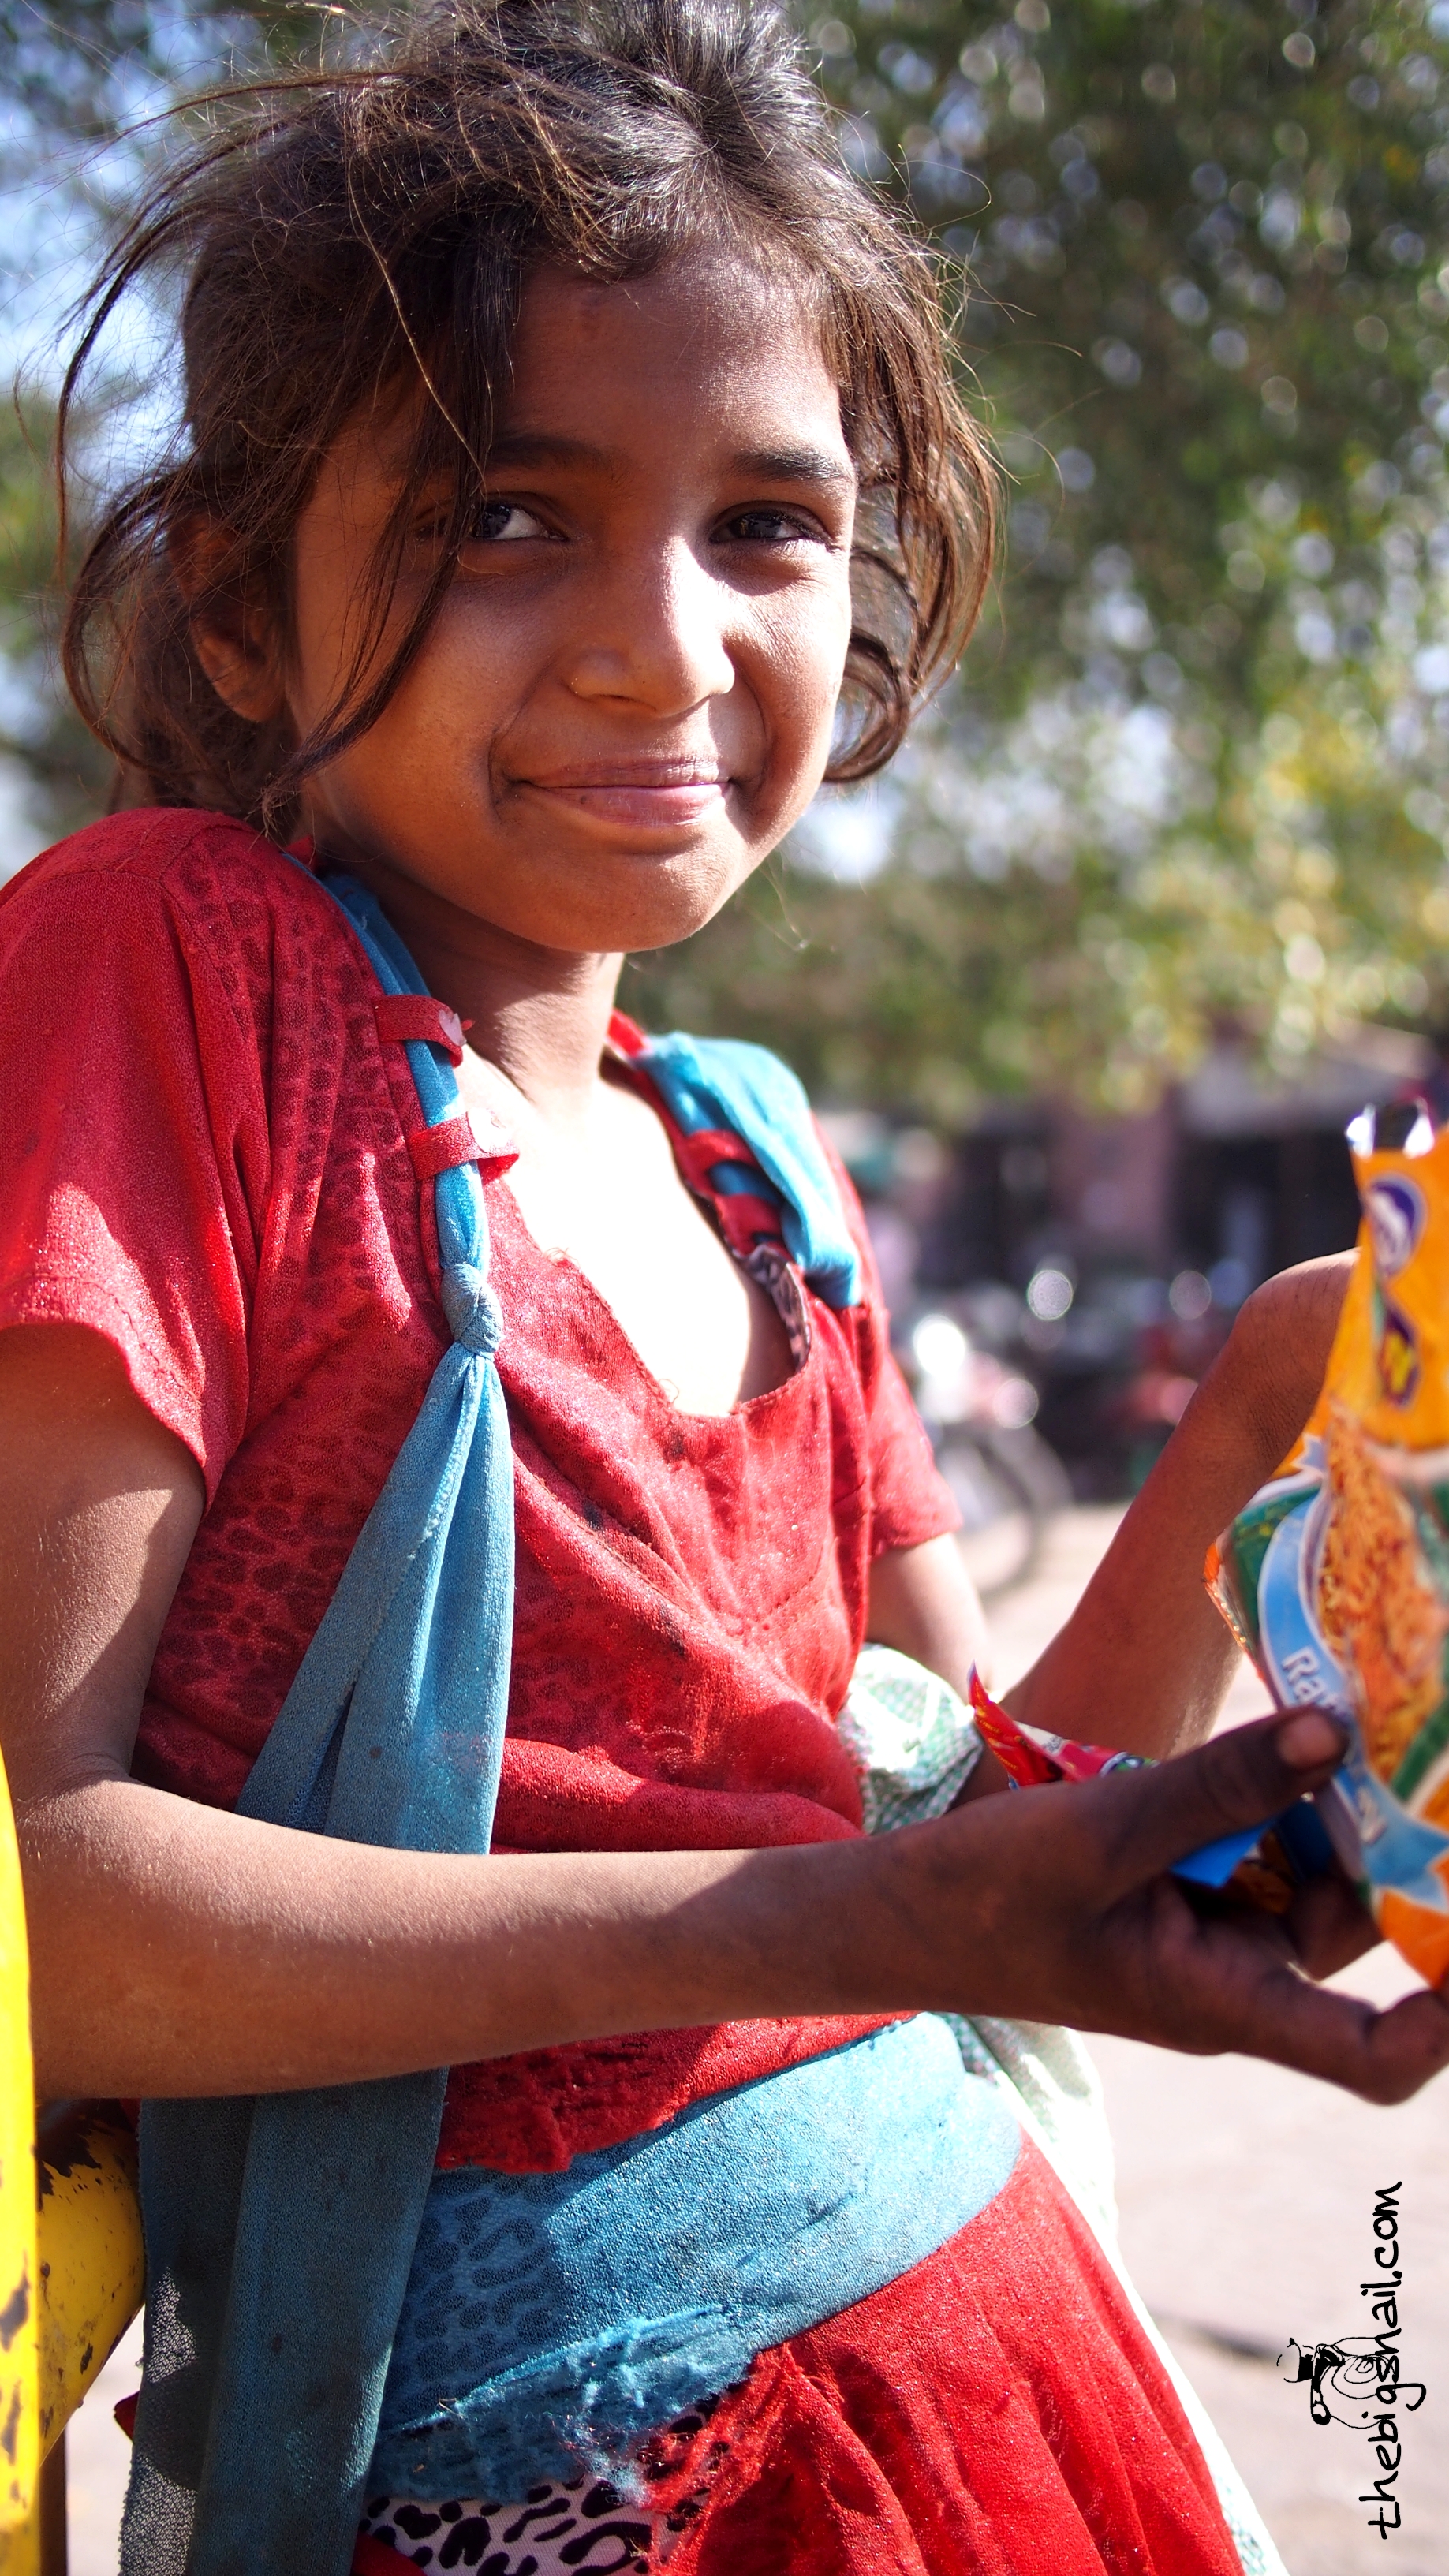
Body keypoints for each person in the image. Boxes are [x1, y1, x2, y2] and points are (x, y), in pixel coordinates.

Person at [1, 6, 1445, 2570]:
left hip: (991, 2390)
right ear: (238, 607)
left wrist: (1251, 1433)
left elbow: (978, 1840)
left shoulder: (756, 1154)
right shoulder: (173, 973)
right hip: (557, 2484)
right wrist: (862, 1913)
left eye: (767, 524)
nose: (665, 650)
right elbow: (49, 1913)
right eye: (501, 517)